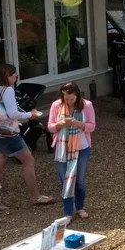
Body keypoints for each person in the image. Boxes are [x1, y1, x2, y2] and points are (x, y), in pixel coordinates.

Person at [0, 64, 49, 213]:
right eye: (14, 75)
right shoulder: (7, 91)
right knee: (29, 160)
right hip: (7, 133)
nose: (16, 77)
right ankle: (35, 196)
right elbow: (13, 114)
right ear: (7, 76)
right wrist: (30, 115)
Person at [47, 82, 96, 219]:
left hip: (81, 147)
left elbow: (91, 126)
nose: (68, 102)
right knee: (65, 180)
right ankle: (68, 212)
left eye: (71, 99)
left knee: (79, 180)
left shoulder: (87, 105)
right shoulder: (56, 105)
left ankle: (80, 207)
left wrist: (78, 123)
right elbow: (50, 126)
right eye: (66, 99)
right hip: (63, 148)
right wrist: (60, 124)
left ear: (77, 96)